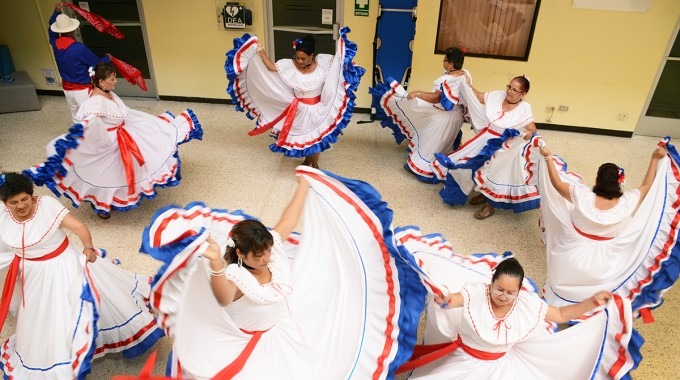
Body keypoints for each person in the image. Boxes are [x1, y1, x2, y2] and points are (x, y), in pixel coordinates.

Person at [141, 166, 425, 378]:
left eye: (267, 250)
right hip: (252, 344)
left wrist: (305, 181)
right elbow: (224, 298)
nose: (266, 257)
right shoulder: (236, 277)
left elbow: (287, 221)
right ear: (240, 254)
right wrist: (216, 263)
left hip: (282, 324)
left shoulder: (269, 250)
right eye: (259, 254)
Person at [388, 232, 640, 379]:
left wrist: (592, 302)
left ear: (518, 291)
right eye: (499, 289)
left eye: (511, 292)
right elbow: (454, 299)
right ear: (491, 283)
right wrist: (444, 299)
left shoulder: (527, 305)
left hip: (501, 367)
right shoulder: (476, 293)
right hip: (464, 359)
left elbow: (562, 313)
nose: (504, 296)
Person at [0, 172, 163, 378]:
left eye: (25, 199)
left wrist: (88, 247)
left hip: (62, 266)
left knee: (73, 310)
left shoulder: (47, 205)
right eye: (14, 202)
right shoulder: (3, 215)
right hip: (32, 273)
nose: (21, 205)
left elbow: (79, 226)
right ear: (5, 203)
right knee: (42, 314)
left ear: (32, 196)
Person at [24, 62, 202, 219]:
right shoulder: (94, 102)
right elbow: (87, 124)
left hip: (124, 134)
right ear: (100, 82)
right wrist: (83, 141)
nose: (115, 82)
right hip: (108, 143)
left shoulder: (108, 93)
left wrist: (150, 123)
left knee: (145, 153)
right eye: (111, 79)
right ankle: (100, 204)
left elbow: (124, 112)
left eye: (114, 78)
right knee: (107, 175)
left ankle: (110, 200)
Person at [538, 141, 680, 319]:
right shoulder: (628, 201)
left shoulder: (581, 196)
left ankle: (564, 303)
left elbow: (556, 183)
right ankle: (592, 303)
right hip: (604, 264)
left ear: (597, 180)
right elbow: (647, 186)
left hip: (570, 257)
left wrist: (547, 157)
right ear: (619, 183)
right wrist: (654, 159)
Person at [225, 28, 365, 169]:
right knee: (304, 136)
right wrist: (261, 51)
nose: (299, 61)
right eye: (297, 57)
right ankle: (307, 159)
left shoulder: (323, 62)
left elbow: (338, 65)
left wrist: (344, 48)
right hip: (299, 109)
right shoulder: (289, 65)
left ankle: (315, 164)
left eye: (303, 58)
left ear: (312, 55)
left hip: (317, 109)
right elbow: (271, 67)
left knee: (315, 138)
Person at [432, 75, 539, 219]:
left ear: (523, 94)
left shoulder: (524, 108)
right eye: (509, 87)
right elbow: (477, 96)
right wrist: (466, 83)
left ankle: (490, 205)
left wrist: (527, 134)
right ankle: (483, 193)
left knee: (495, 173)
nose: (509, 91)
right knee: (474, 164)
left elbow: (532, 128)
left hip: (506, 145)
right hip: (487, 137)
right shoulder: (497, 96)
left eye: (515, 90)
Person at [370, 47, 469, 183]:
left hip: (445, 117)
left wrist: (417, 93)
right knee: (424, 117)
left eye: (445, 60)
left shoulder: (446, 79)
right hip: (458, 116)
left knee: (424, 123)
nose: (443, 62)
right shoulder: (465, 74)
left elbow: (436, 98)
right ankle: (436, 155)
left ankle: (423, 166)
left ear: (451, 64)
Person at [49, 2, 112, 123]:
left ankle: (79, 137)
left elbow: (50, 30)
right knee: (90, 116)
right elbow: (97, 63)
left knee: (76, 116)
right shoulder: (78, 48)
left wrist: (56, 11)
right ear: (73, 29)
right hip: (81, 90)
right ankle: (92, 139)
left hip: (67, 89)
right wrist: (107, 58)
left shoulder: (55, 43)